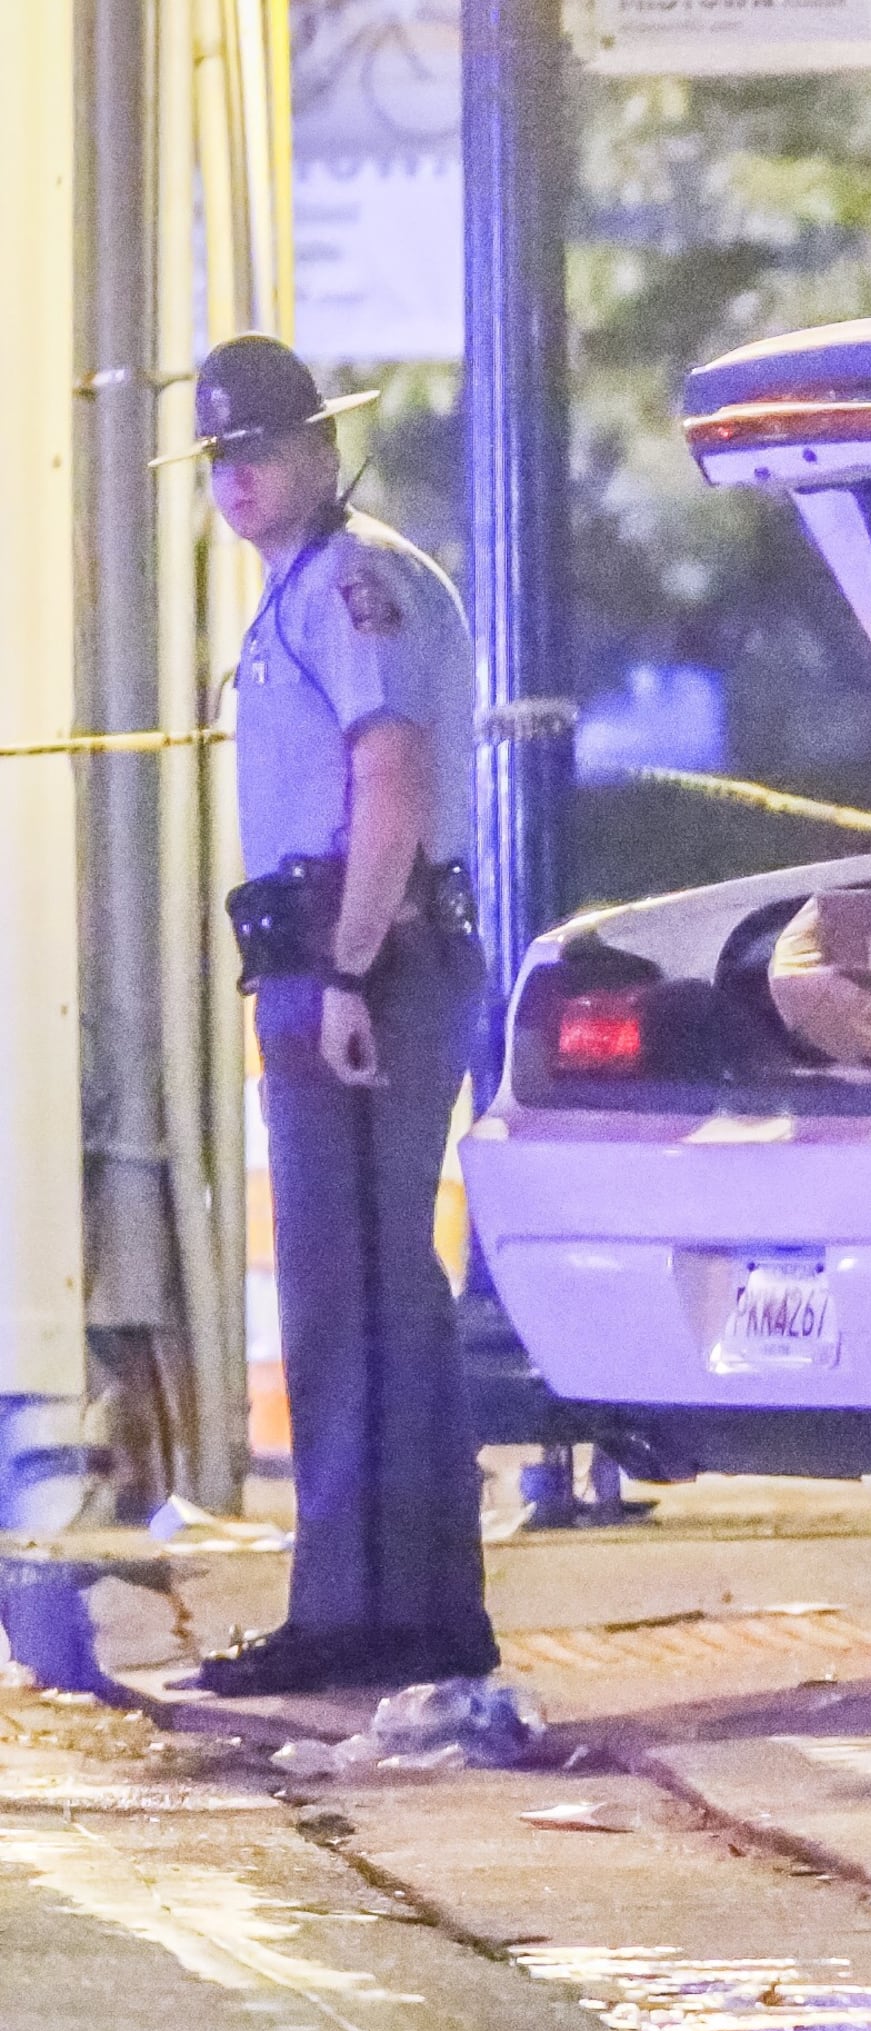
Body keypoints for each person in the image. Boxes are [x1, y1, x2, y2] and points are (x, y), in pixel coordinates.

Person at [179, 334, 496, 1696]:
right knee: (368, 1288)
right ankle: (409, 1604)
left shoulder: (351, 584)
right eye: (219, 459)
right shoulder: (308, 586)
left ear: (319, 448)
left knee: (352, 1294)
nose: (238, 479)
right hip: (340, 955)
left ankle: (360, 1611)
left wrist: (356, 970)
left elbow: (393, 775)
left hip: (368, 955)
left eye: (258, 451)